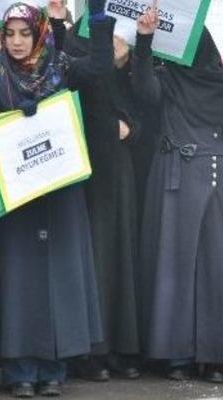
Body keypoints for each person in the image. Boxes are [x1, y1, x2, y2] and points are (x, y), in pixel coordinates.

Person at [0, 0, 114, 398]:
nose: (16, 41)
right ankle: (18, 369)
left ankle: (53, 367)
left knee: (59, 276)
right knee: (18, 279)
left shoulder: (61, 65)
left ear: (37, 34)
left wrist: (99, 19)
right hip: (15, 193)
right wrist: (13, 120)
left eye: (23, 33)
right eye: (9, 33)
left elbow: (101, 68)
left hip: (58, 189)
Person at [134, 5, 223, 382]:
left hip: (217, 184)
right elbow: (142, 89)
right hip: (172, 179)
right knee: (172, 268)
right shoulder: (167, 78)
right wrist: (144, 41)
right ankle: (175, 355)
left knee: (216, 270)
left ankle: (215, 355)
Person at [63, 19, 146, 381]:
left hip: (120, 174)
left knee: (119, 261)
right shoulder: (78, 64)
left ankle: (117, 346)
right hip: (86, 173)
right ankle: (88, 350)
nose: (114, 45)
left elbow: (147, 110)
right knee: (94, 260)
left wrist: (131, 128)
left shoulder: (127, 74)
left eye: (119, 39)